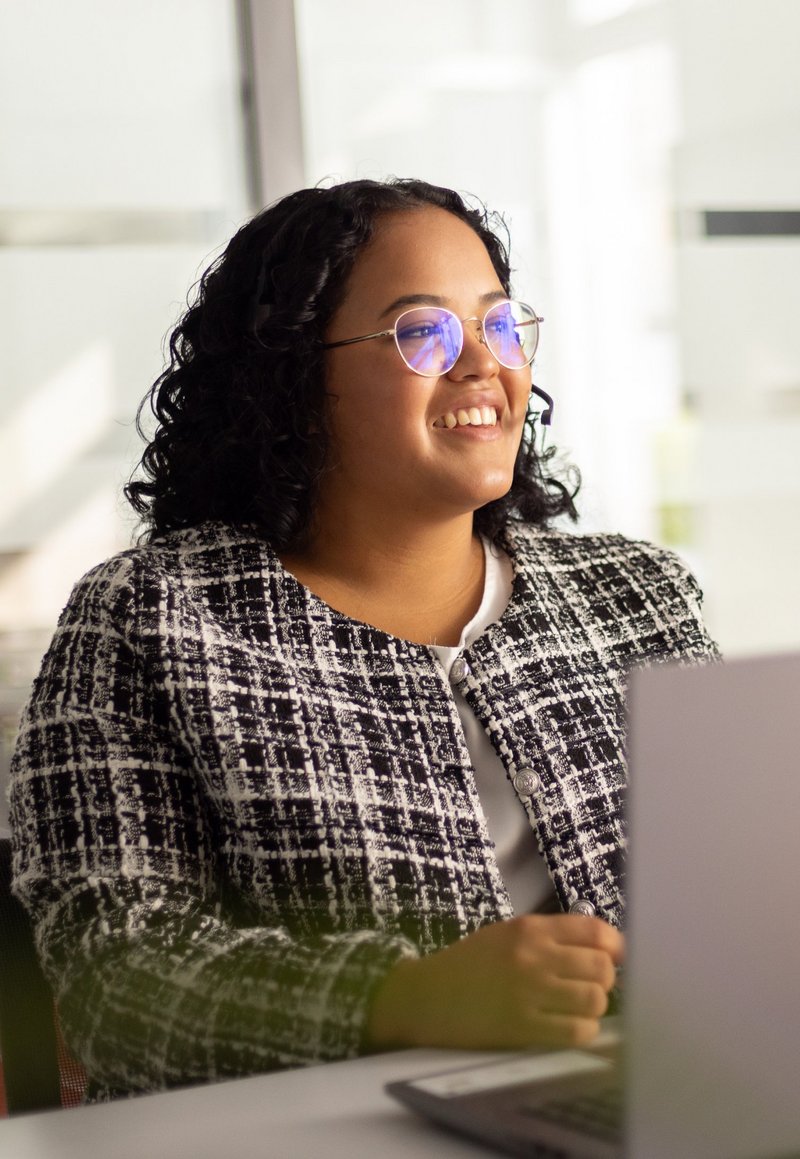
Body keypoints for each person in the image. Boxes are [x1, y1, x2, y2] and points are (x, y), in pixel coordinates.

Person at [9, 178, 718, 1101]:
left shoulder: (639, 595)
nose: (482, 365)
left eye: (502, 326)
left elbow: (744, 905)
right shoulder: (150, 617)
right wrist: (399, 995)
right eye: (424, 331)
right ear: (297, 377)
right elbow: (114, 975)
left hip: (658, 1110)